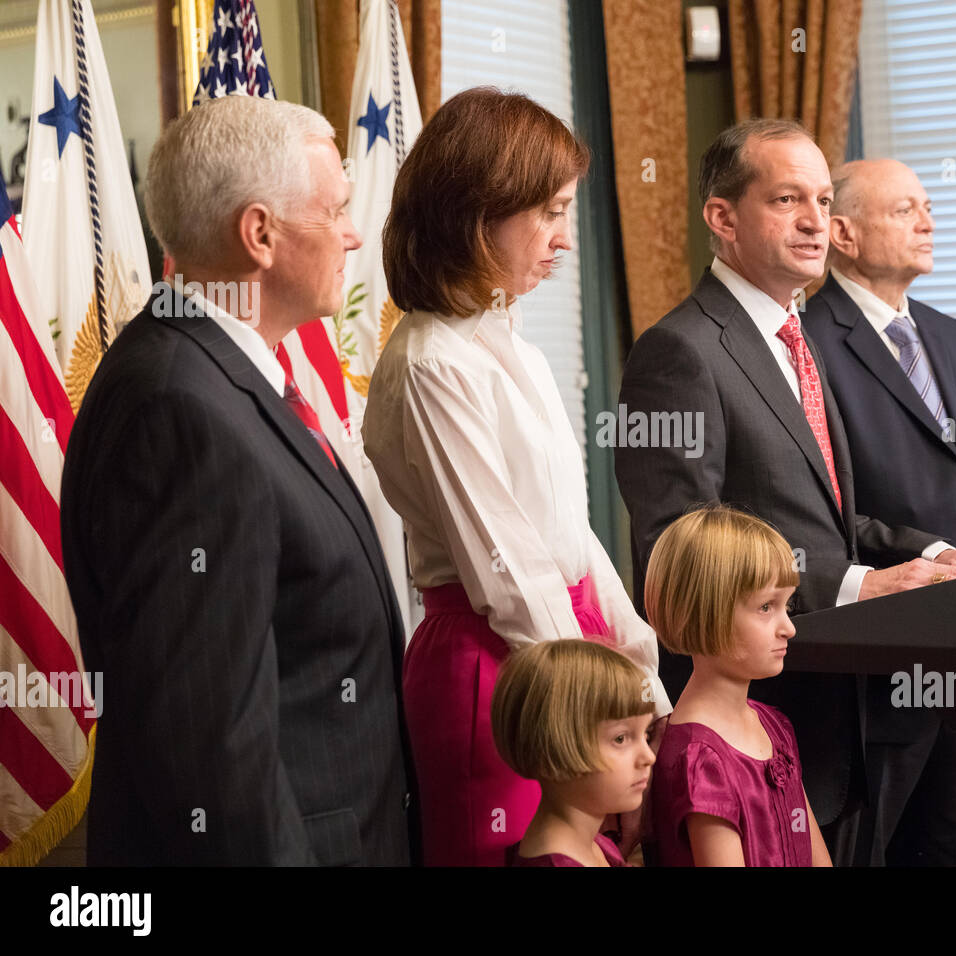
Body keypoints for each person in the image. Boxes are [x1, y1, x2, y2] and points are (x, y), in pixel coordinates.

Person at [614, 118, 956, 865]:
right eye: (787, 199)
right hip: (755, 712)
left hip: (840, 704)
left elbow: (833, 517)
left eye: (821, 198)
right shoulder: (677, 352)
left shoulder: (798, 336)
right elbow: (679, 546)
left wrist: (938, 552)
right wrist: (857, 585)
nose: (817, 220)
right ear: (722, 217)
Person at [60, 96, 415, 865]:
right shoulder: (178, 412)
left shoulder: (212, 379)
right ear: (260, 234)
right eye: (337, 210)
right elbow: (208, 751)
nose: (356, 234)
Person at [363, 86, 668, 867]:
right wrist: (592, 718)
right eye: (549, 212)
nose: (564, 239)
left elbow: (570, 539)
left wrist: (644, 692)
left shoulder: (514, 344)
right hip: (499, 672)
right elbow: (508, 572)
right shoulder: (432, 360)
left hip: (570, 656)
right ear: (476, 213)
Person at [803, 158, 956, 866]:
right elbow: (825, 509)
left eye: (927, 207)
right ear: (842, 232)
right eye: (905, 210)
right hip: (879, 663)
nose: (929, 223)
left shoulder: (951, 333)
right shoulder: (805, 340)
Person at [644, 506, 832, 867]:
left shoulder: (773, 725)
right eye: (766, 607)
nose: (789, 628)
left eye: (787, 605)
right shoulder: (699, 759)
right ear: (704, 610)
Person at [491, 640, 656, 867]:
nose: (649, 757)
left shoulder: (592, 842)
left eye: (645, 735)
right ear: (556, 743)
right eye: (621, 739)